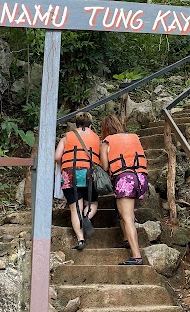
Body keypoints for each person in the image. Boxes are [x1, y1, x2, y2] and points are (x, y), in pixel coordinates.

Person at [100, 115, 148, 266]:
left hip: (125, 179)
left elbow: (105, 166)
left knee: (128, 218)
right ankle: (127, 239)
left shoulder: (107, 142)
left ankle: (136, 256)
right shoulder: (134, 137)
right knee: (122, 211)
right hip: (141, 178)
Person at [54, 112, 100, 251]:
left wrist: (65, 165)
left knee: (75, 209)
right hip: (89, 173)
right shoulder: (96, 138)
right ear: (90, 125)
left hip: (70, 173)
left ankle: (80, 240)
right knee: (92, 203)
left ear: (76, 125)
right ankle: (86, 217)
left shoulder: (66, 137)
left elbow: (57, 157)